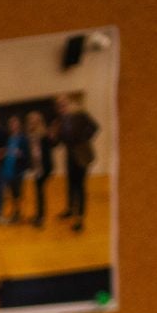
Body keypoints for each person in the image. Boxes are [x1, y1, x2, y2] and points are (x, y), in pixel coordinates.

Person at [56, 90, 99, 231]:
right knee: (70, 185)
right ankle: (70, 209)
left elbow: (95, 128)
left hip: (81, 157)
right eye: (59, 105)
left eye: (63, 104)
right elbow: (62, 140)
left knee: (80, 188)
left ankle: (80, 219)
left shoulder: (80, 115)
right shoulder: (62, 121)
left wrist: (82, 140)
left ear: (68, 104)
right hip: (70, 158)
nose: (61, 107)